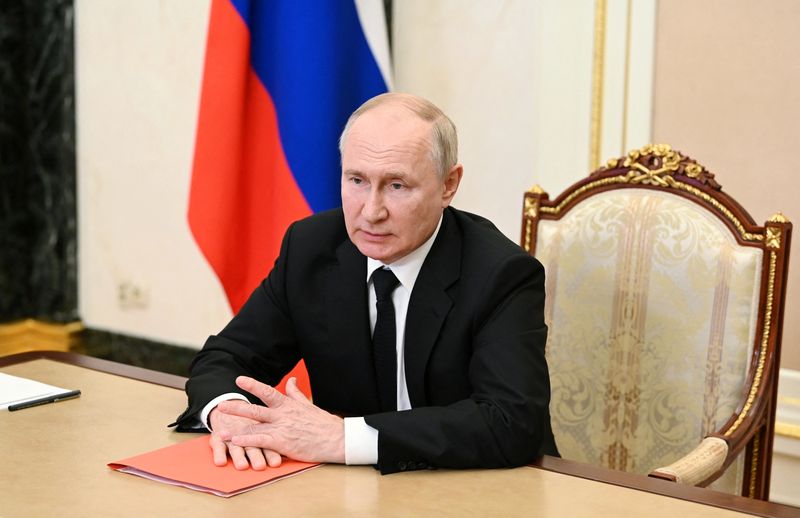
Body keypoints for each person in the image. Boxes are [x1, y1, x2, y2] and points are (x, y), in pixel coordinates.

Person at [172, 92, 558, 474]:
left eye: (397, 186)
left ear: (448, 185)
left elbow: (511, 422)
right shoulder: (312, 248)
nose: (371, 212)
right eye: (357, 180)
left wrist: (344, 438)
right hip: (345, 490)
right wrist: (227, 411)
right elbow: (225, 358)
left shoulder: (500, 273)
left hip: (475, 490)